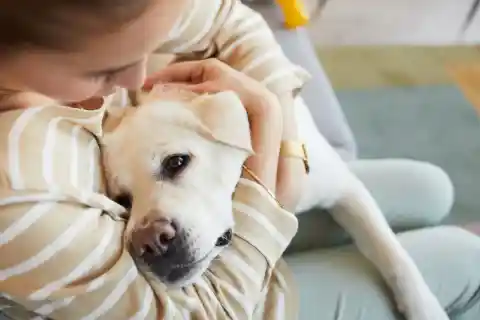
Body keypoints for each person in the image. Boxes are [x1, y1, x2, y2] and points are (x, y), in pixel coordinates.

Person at [0, 1, 479, 319]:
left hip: (223, 221)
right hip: (207, 304)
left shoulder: (115, 12)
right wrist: (269, 162)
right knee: (467, 261)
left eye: (149, 48)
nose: (139, 79)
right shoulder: (18, 187)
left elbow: (231, 18)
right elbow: (212, 313)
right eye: (101, 69)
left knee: (429, 188)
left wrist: (281, 130)